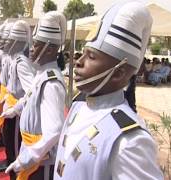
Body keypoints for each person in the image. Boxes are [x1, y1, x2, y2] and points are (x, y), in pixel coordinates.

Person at [53, 1, 163, 179]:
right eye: (83, 53)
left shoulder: (129, 140)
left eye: (91, 56)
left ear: (118, 73)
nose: (78, 62)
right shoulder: (78, 106)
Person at [4, 11, 67, 179]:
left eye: (37, 45)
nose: (31, 49)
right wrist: (15, 109)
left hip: (41, 160)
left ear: (50, 49)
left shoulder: (51, 83)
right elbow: (30, 96)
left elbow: (55, 130)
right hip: (31, 148)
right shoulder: (42, 73)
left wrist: (28, 157)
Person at [2, 20, 36, 179]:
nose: (6, 43)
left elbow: (31, 92)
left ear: (17, 42)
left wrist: (17, 108)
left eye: (10, 40)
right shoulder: (15, 59)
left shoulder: (21, 63)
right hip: (11, 105)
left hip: (17, 113)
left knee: (15, 150)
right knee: (8, 145)